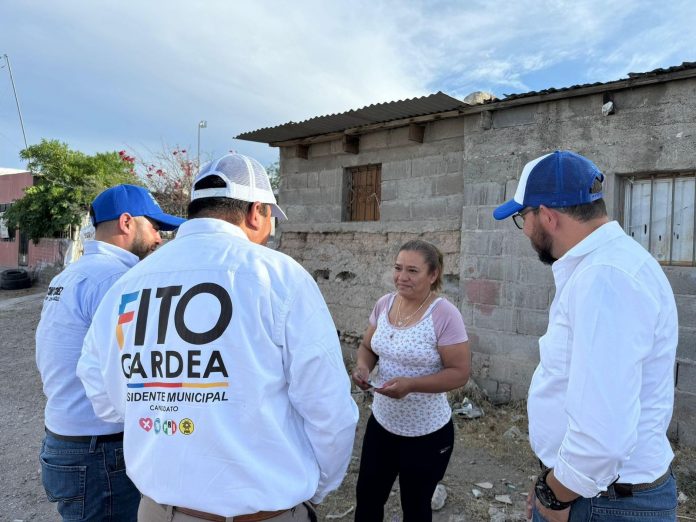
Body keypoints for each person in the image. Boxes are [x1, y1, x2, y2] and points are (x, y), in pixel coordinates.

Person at [77, 152, 359, 522]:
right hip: (263, 515)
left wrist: (158, 406)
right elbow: (329, 411)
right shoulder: (280, 277)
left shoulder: (129, 284)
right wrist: (316, 489)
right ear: (256, 212)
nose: (269, 230)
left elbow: (99, 388)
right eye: (270, 218)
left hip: (160, 512)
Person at [493, 150, 679, 522]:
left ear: (547, 216)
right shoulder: (611, 265)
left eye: (523, 218)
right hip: (595, 492)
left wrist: (555, 495)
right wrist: (552, 480)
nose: (525, 230)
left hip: (602, 502)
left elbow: (602, 438)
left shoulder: (604, 278)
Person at [36, 184, 185, 521]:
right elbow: (142, 366)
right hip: (98, 449)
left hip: (65, 438)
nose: (159, 238)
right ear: (127, 221)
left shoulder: (71, 274)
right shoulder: (118, 280)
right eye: (155, 226)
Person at [351, 239, 471, 522]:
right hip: (382, 424)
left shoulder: (444, 314)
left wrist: (412, 385)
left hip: (426, 433)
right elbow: (368, 347)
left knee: (416, 508)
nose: (401, 277)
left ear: (433, 275)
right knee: (367, 499)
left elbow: (459, 372)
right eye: (398, 268)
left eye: (412, 271)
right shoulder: (384, 304)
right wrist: (363, 368)